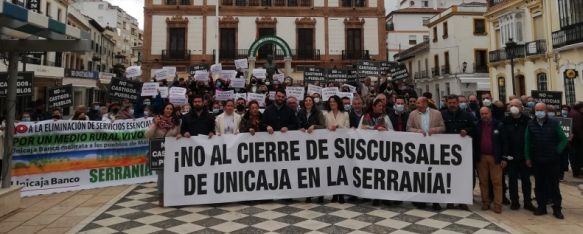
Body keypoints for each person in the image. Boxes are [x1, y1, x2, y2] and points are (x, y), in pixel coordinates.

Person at [525, 103, 568, 219]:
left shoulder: (554, 123)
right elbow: (527, 142)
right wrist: (528, 157)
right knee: (539, 185)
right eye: (537, 110)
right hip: (537, 160)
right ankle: (541, 207)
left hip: (552, 160)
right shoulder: (530, 124)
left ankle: (557, 208)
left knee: (554, 185)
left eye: (541, 110)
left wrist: (556, 151)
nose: (539, 112)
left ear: (545, 110)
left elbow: (564, 140)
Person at [406, 96, 445, 210]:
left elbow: (443, 127)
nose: (416, 104)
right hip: (419, 149)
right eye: (416, 102)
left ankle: (435, 201)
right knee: (420, 175)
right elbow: (408, 128)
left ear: (425, 103)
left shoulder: (437, 113)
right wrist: (417, 131)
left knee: (433, 174)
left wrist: (435, 130)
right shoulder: (412, 114)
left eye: (418, 102)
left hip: (434, 148)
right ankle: (421, 199)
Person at [441, 95, 474, 210]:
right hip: (447, 152)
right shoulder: (442, 115)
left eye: (454, 102)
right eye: (449, 102)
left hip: (462, 153)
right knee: (449, 176)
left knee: (463, 176)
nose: (452, 104)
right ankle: (450, 200)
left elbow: (473, 127)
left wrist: (467, 130)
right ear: (447, 103)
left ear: (457, 103)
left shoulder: (467, 115)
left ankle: (462, 200)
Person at [501, 99, 535, 211]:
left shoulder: (528, 121)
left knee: (526, 181)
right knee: (512, 181)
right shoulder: (505, 121)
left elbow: (531, 139)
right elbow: (504, 140)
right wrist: (505, 156)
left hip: (524, 156)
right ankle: (514, 201)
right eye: (511, 105)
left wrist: (529, 156)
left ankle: (527, 202)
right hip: (511, 156)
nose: (513, 107)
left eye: (516, 105)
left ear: (521, 107)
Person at [146, 103, 181, 207]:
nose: (169, 110)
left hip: (171, 152)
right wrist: (155, 124)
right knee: (161, 176)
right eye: (167, 108)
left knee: (171, 175)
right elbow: (147, 134)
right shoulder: (156, 120)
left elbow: (178, 133)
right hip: (158, 152)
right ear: (163, 109)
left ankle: (171, 195)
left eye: (171, 109)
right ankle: (161, 196)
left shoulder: (176, 122)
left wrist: (179, 135)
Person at [475, 107, 504, 213]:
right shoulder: (477, 125)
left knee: (497, 182)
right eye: (482, 114)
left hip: (495, 157)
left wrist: (504, 157)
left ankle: (497, 205)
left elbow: (504, 142)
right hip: (481, 157)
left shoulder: (499, 125)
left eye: (486, 113)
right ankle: (485, 202)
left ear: (490, 113)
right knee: (483, 182)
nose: (484, 115)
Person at [299, 96, 326, 203]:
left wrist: (314, 126)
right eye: (306, 100)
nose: (308, 102)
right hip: (305, 146)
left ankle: (320, 194)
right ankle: (308, 194)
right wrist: (299, 128)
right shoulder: (300, 112)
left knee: (318, 170)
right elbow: (298, 124)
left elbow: (323, 126)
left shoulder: (318, 112)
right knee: (307, 170)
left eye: (310, 100)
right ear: (304, 102)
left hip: (317, 146)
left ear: (313, 102)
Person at [325, 95, 350, 203]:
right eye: (330, 102)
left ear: (338, 102)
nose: (332, 103)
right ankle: (334, 194)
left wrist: (338, 125)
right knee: (333, 170)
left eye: (334, 101)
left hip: (342, 146)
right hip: (331, 145)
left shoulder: (345, 114)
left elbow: (348, 129)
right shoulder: (326, 114)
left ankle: (341, 194)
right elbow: (324, 129)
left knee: (342, 170)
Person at [569, 102, 583, 178]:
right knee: (577, 156)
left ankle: (576, 171)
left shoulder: (572, 112)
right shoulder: (577, 115)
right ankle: (577, 172)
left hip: (574, 139)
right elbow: (578, 128)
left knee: (575, 156)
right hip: (577, 140)